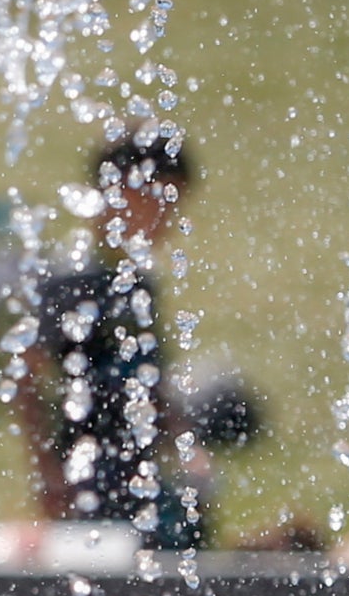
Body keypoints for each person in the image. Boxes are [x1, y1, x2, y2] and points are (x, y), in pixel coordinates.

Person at [24, 129, 245, 550]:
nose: (168, 221)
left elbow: (148, 380)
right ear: (122, 190)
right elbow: (26, 378)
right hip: (87, 469)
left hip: (137, 466)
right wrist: (47, 472)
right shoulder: (72, 278)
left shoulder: (137, 280)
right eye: (163, 202)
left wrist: (185, 444)